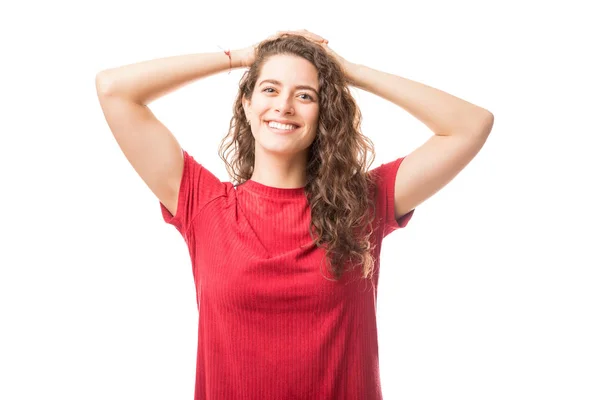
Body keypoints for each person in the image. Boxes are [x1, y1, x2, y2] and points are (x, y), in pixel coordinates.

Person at [96, 29, 494, 400]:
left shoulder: (362, 204)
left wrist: (348, 72)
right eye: (270, 89)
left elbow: (471, 126)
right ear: (246, 105)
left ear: (324, 113)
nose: (284, 106)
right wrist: (244, 56)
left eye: (305, 95)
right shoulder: (203, 205)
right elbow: (114, 90)